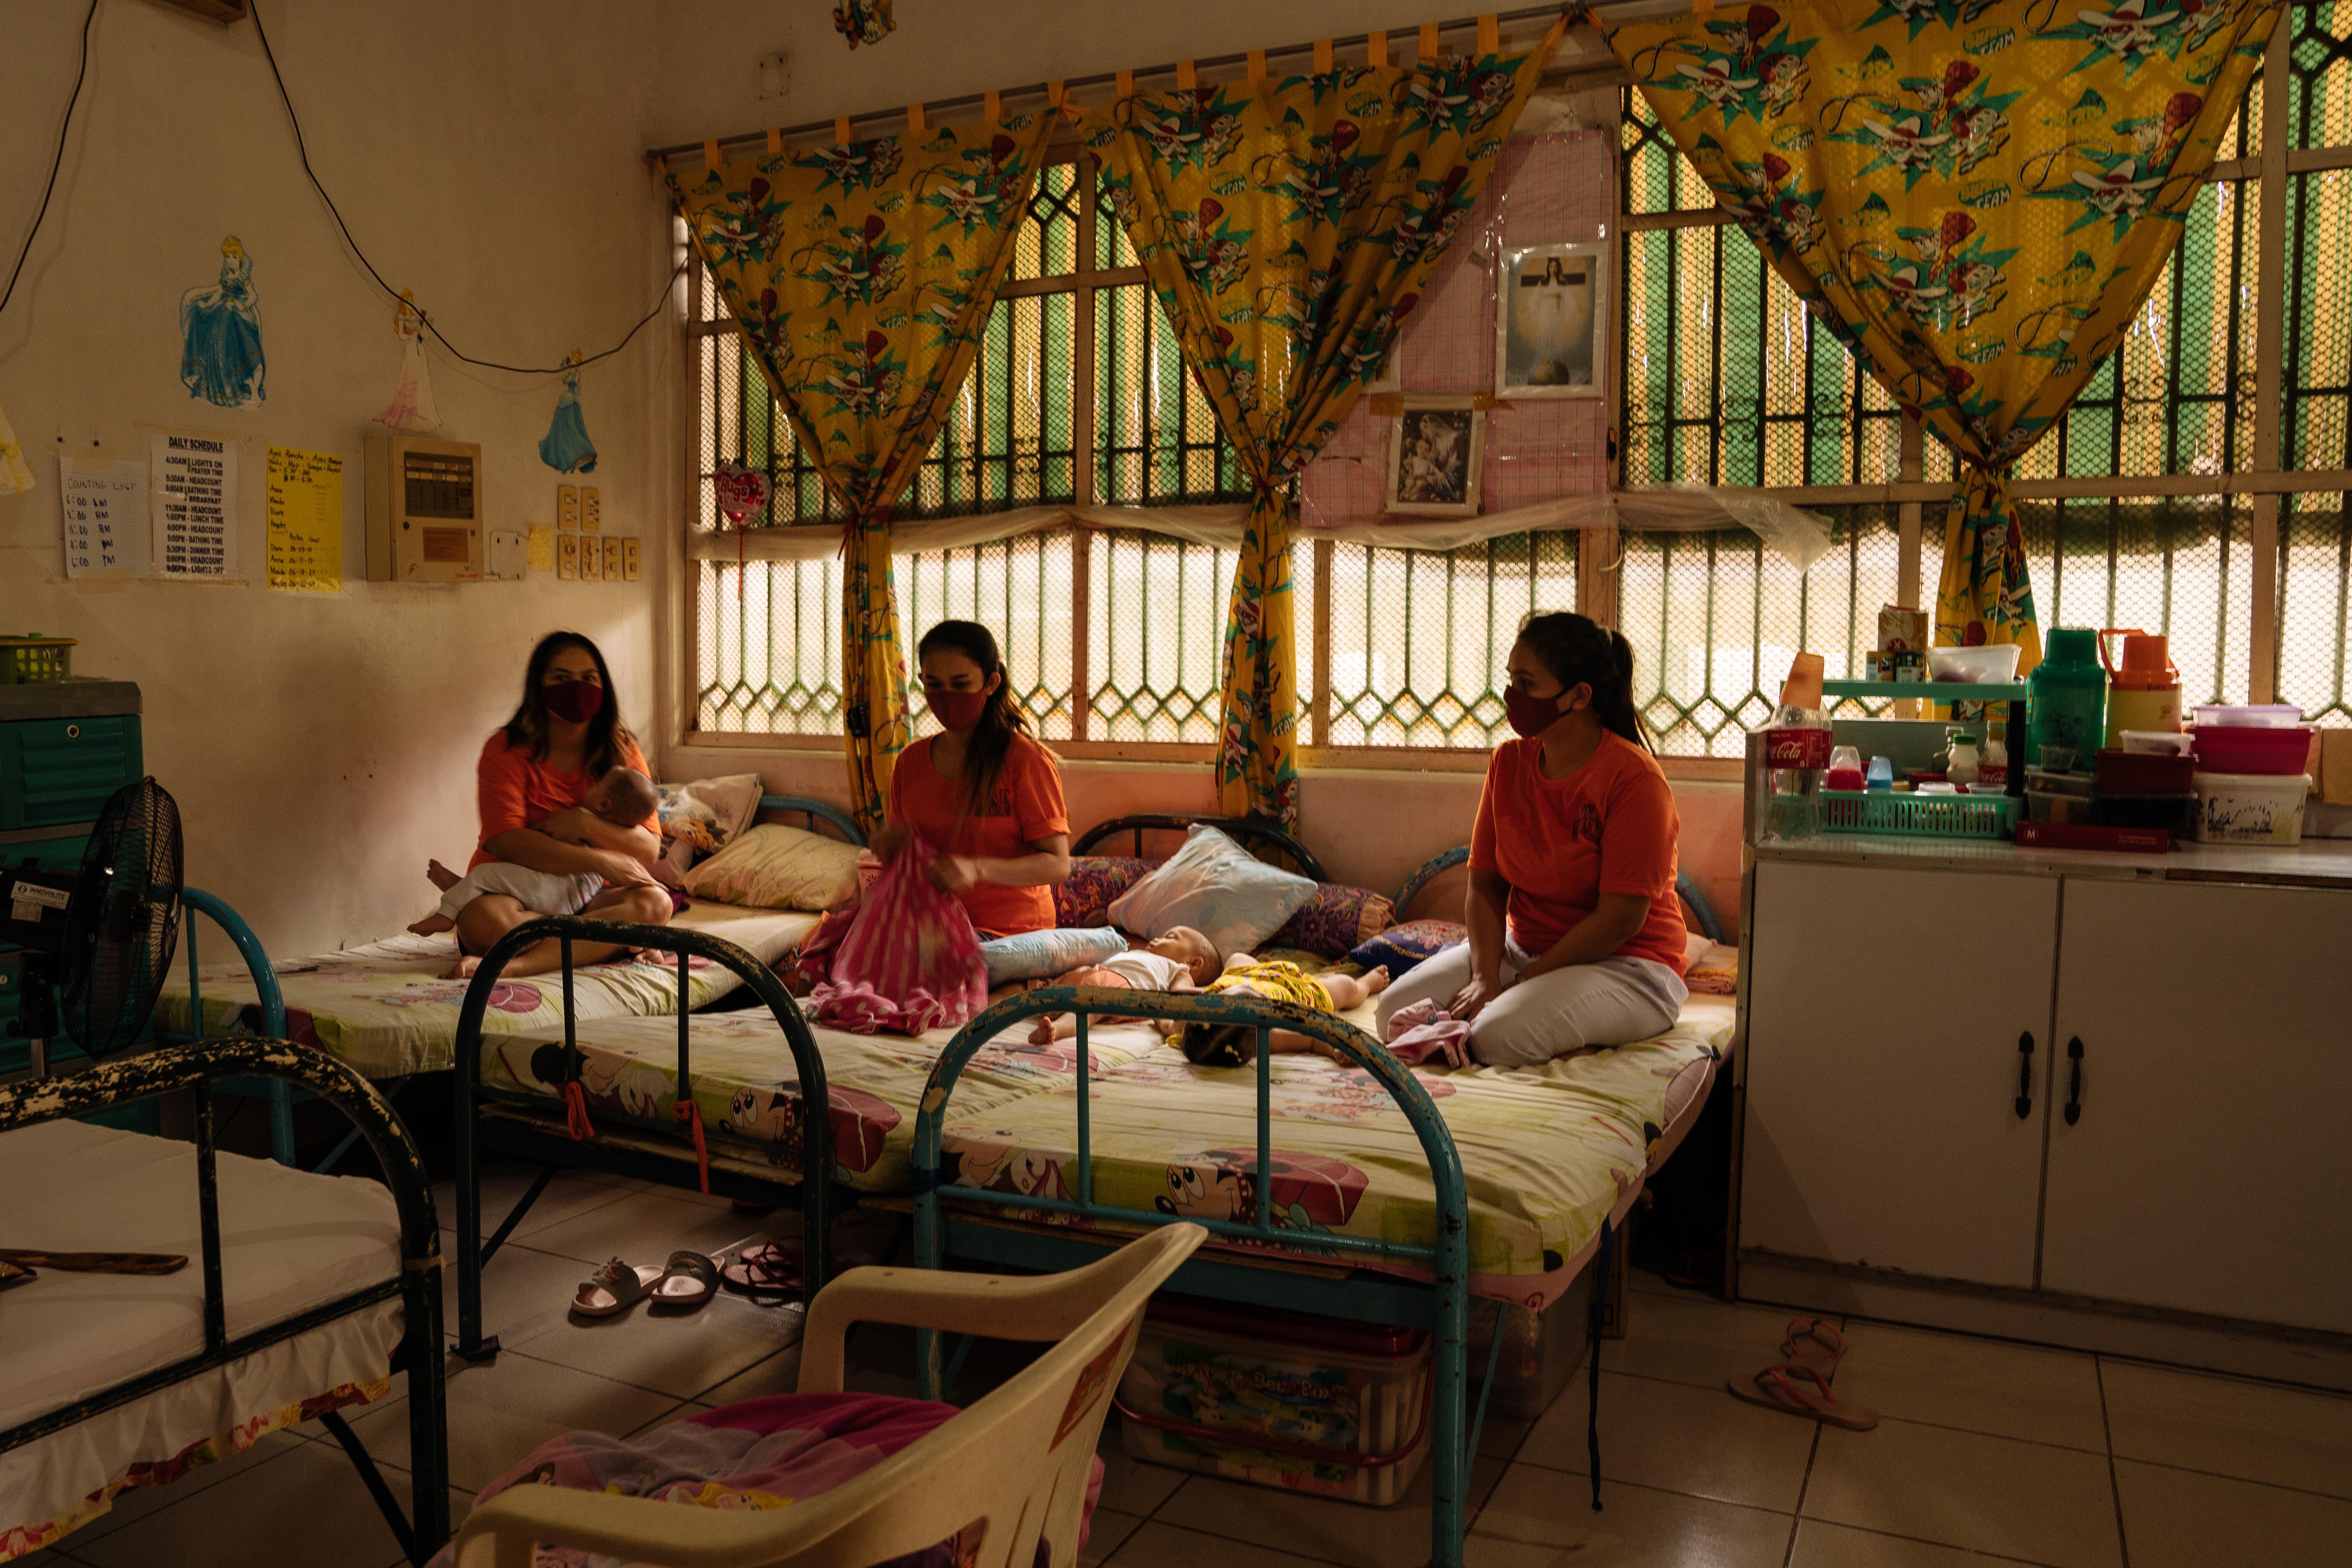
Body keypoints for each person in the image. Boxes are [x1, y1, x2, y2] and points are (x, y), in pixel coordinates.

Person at [1375, 611, 1689, 1065]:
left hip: (1628, 966)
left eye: (1527, 684)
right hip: (1524, 950)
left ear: (1579, 697)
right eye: (1511, 680)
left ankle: (1576, 1036)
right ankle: (1510, 1016)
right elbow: (1485, 885)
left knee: (1494, 1037)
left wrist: (1524, 984)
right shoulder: (1509, 763)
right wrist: (1486, 977)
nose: (1511, 696)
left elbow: (1620, 919)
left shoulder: (1635, 780)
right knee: (1391, 1012)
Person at [443, 632, 670, 978]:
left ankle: (520, 964)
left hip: (589, 897)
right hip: (515, 892)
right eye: (561, 678)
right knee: (484, 923)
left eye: (589, 679)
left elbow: (649, 848)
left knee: (657, 905)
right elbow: (507, 840)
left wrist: (585, 825)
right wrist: (599, 859)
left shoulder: (622, 752)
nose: (577, 688)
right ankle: (597, 940)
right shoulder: (505, 749)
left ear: (604, 687)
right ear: (539, 687)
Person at [869, 620, 1070, 938]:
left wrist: (977, 868)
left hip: (1011, 932)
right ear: (921, 681)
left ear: (991, 683)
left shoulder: (1025, 760)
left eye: (961, 684)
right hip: (933, 925)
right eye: (934, 684)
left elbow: (1058, 865)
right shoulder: (910, 763)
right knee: (831, 954)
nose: (947, 697)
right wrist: (890, 844)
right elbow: (909, 850)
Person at [409, 766, 659, 936]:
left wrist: (542, 827)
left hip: (556, 892)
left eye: (598, 783)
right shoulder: (622, 836)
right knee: (505, 891)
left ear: (605, 804)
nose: (589, 785)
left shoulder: (583, 818)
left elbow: (533, 835)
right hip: (575, 900)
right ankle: (465, 891)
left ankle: (448, 910)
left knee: (486, 874)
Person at [1178, 954, 1392, 1066]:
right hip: (1300, 995)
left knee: (1236, 958)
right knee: (1346, 986)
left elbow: (1170, 1007)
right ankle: (1367, 984)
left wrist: (1182, 977)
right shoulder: (1266, 1037)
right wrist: (1336, 1049)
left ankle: (1315, 978)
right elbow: (1311, 1039)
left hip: (1250, 976)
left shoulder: (1193, 1030)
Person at [1024, 926, 1222, 1043]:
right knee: (1030, 988)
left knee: (1090, 1009)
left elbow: (1180, 994)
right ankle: (995, 1010)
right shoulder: (1139, 953)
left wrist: (1215, 990)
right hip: (1091, 974)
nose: (1157, 938)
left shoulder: (1179, 969)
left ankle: (1056, 1030)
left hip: (1121, 989)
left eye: (1169, 937)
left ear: (1193, 962)